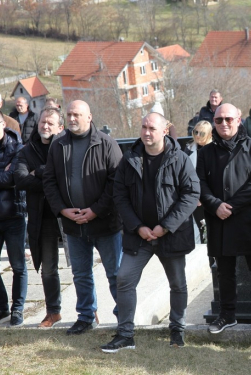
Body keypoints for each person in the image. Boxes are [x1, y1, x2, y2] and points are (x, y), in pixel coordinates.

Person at [100, 113, 200, 353]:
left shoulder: (180, 159)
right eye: (143, 127)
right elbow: (120, 196)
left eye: (152, 128)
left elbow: (191, 195)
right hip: (139, 235)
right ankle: (125, 334)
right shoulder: (130, 158)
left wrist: (165, 226)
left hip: (171, 234)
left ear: (165, 130)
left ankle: (177, 328)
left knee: (177, 283)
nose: (146, 132)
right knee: (124, 279)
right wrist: (138, 227)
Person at [43, 100, 123, 335]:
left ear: (89, 117)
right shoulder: (58, 144)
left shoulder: (107, 144)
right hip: (73, 224)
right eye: (69, 114)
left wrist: (96, 210)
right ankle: (86, 316)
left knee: (115, 273)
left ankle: (124, 318)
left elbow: (116, 182)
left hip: (105, 223)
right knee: (81, 274)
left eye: (77, 114)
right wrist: (62, 210)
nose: (72, 118)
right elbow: (49, 181)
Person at [196, 103, 251, 334]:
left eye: (228, 119)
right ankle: (227, 315)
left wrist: (232, 206)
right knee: (224, 271)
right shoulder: (205, 152)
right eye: (218, 120)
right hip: (219, 219)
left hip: (247, 218)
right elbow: (200, 184)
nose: (224, 123)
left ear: (239, 119)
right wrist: (216, 205)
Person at [14, 107, 65, 328]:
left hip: (67, 213)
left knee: (81, 268)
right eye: (43, 122)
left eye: (50, 123)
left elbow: (65, 173)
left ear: (60, 128)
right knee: (49, 269)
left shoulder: (65, 146)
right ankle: (53, 311)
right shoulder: (27, 150)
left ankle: (89, 311)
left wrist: (41, 171)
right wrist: (50, 177)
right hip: (43, 217)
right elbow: (21, 179)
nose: (45, 126)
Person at [0, 108, 27, 328]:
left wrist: (5, 177)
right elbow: (3, 177)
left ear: (2, 124)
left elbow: (13, 177)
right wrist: (1, 177)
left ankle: (17, 309)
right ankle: (2, 308)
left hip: (13, 215)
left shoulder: (17, 148)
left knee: (18, 266)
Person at [184, 120, 213, 243]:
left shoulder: (214, 149)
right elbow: (185, 174)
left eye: (201, 133)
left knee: (212, 231)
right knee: (203, 231)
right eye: (195, 132)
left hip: (210, 196)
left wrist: (203, 196)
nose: (197, 135)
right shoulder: (189, 149)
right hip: (193, 197)